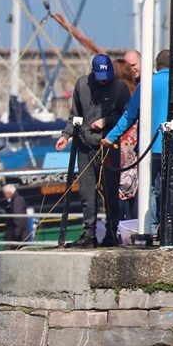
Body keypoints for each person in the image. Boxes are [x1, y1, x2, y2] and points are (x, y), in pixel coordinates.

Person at [104, 49, 173, 235]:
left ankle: (149, 229)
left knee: (150, 188)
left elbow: (129, 115)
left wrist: (110, 137)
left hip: (152, 147)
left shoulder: (147, 85)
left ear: (156, 66)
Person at [55, 54, 131, 248]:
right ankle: (89, 234)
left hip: (108, 146)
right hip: (85, 146)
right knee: (87, 194)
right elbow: (75, 116)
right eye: (100, 75)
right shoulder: (82, 85)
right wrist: (66, 135)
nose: (104, 79)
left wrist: (106, 122)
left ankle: (111, 233)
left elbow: (127, 115)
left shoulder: (119, 87)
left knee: (110, 192)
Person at [112, 58, 139, 221]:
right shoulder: (137, 91)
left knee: (117, 186)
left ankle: (119, 225)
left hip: (119, 139)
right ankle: (133, 223)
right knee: (133, 184)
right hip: (134, 142)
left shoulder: (116, 93)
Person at [1, 184, 29, 250]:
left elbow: (19, 218)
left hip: (17, 237)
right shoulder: (16, 200)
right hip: (16, 236)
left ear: (8, 193)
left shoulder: (17, 201)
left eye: (4, 194)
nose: (4, 196)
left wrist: (16, 235)